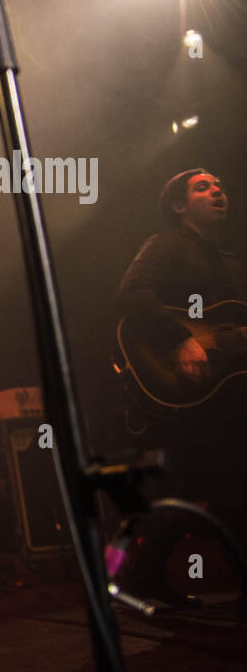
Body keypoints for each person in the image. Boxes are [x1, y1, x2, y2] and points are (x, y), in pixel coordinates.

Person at [117, 169, 247, 604]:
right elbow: (132, 295)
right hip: (184, 382)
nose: (217, 191)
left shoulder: (231, 263)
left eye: (219, 185)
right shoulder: (165, 245)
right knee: (199, 485)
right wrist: (181, 339)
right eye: (203, 187)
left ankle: (143, 576)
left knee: (213, 485)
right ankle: (141, 575)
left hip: (226, 390)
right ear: (179, 205)